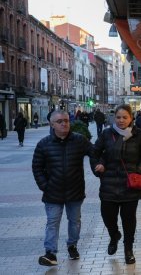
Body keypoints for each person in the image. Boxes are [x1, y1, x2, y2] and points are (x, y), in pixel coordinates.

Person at [90, 104, 141, 264]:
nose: (121, 120)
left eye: (125, 117)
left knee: (128, 219)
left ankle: (128, 249)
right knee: (108, 216)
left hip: (130, 185)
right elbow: (95, 153)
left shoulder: (139, 135)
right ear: (114, 118)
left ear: (131, 118)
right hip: (109, 184)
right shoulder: (106, 134)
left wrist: (138, 171)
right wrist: (97, 168)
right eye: (118, 117)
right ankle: (114, 235)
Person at [32, 110, 94, 266]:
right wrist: (45, 186)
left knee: (75, 221)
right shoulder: (43, 144)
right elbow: (37, 167)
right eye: (60, 121)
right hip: (53, 193)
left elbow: (95, 152)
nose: (64, 123)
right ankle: (50, 253)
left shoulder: (79, 140)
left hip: (75, 190)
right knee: (52, 222)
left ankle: (72, 245)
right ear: (52, 124)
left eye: (66, 120)